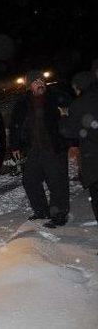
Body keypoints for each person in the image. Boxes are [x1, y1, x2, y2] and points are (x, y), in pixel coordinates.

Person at [10, 70, 71, 228]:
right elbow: (15, 124)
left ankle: (59, 214)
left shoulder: (55, 97)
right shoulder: (23, 103)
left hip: (54, 146)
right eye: (36, 82)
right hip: (34, 149)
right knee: (29, 180)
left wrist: (65, 112)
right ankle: (42, 211)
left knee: (57, 181)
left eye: (41, 81)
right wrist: (15, 145)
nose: (40, 83)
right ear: (29, 86)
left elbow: (70, 110)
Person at [61, 68, 98, 229]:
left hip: (93, 160)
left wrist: (63, 116)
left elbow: (68, 131)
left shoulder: (78, 104)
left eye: (75, 87)